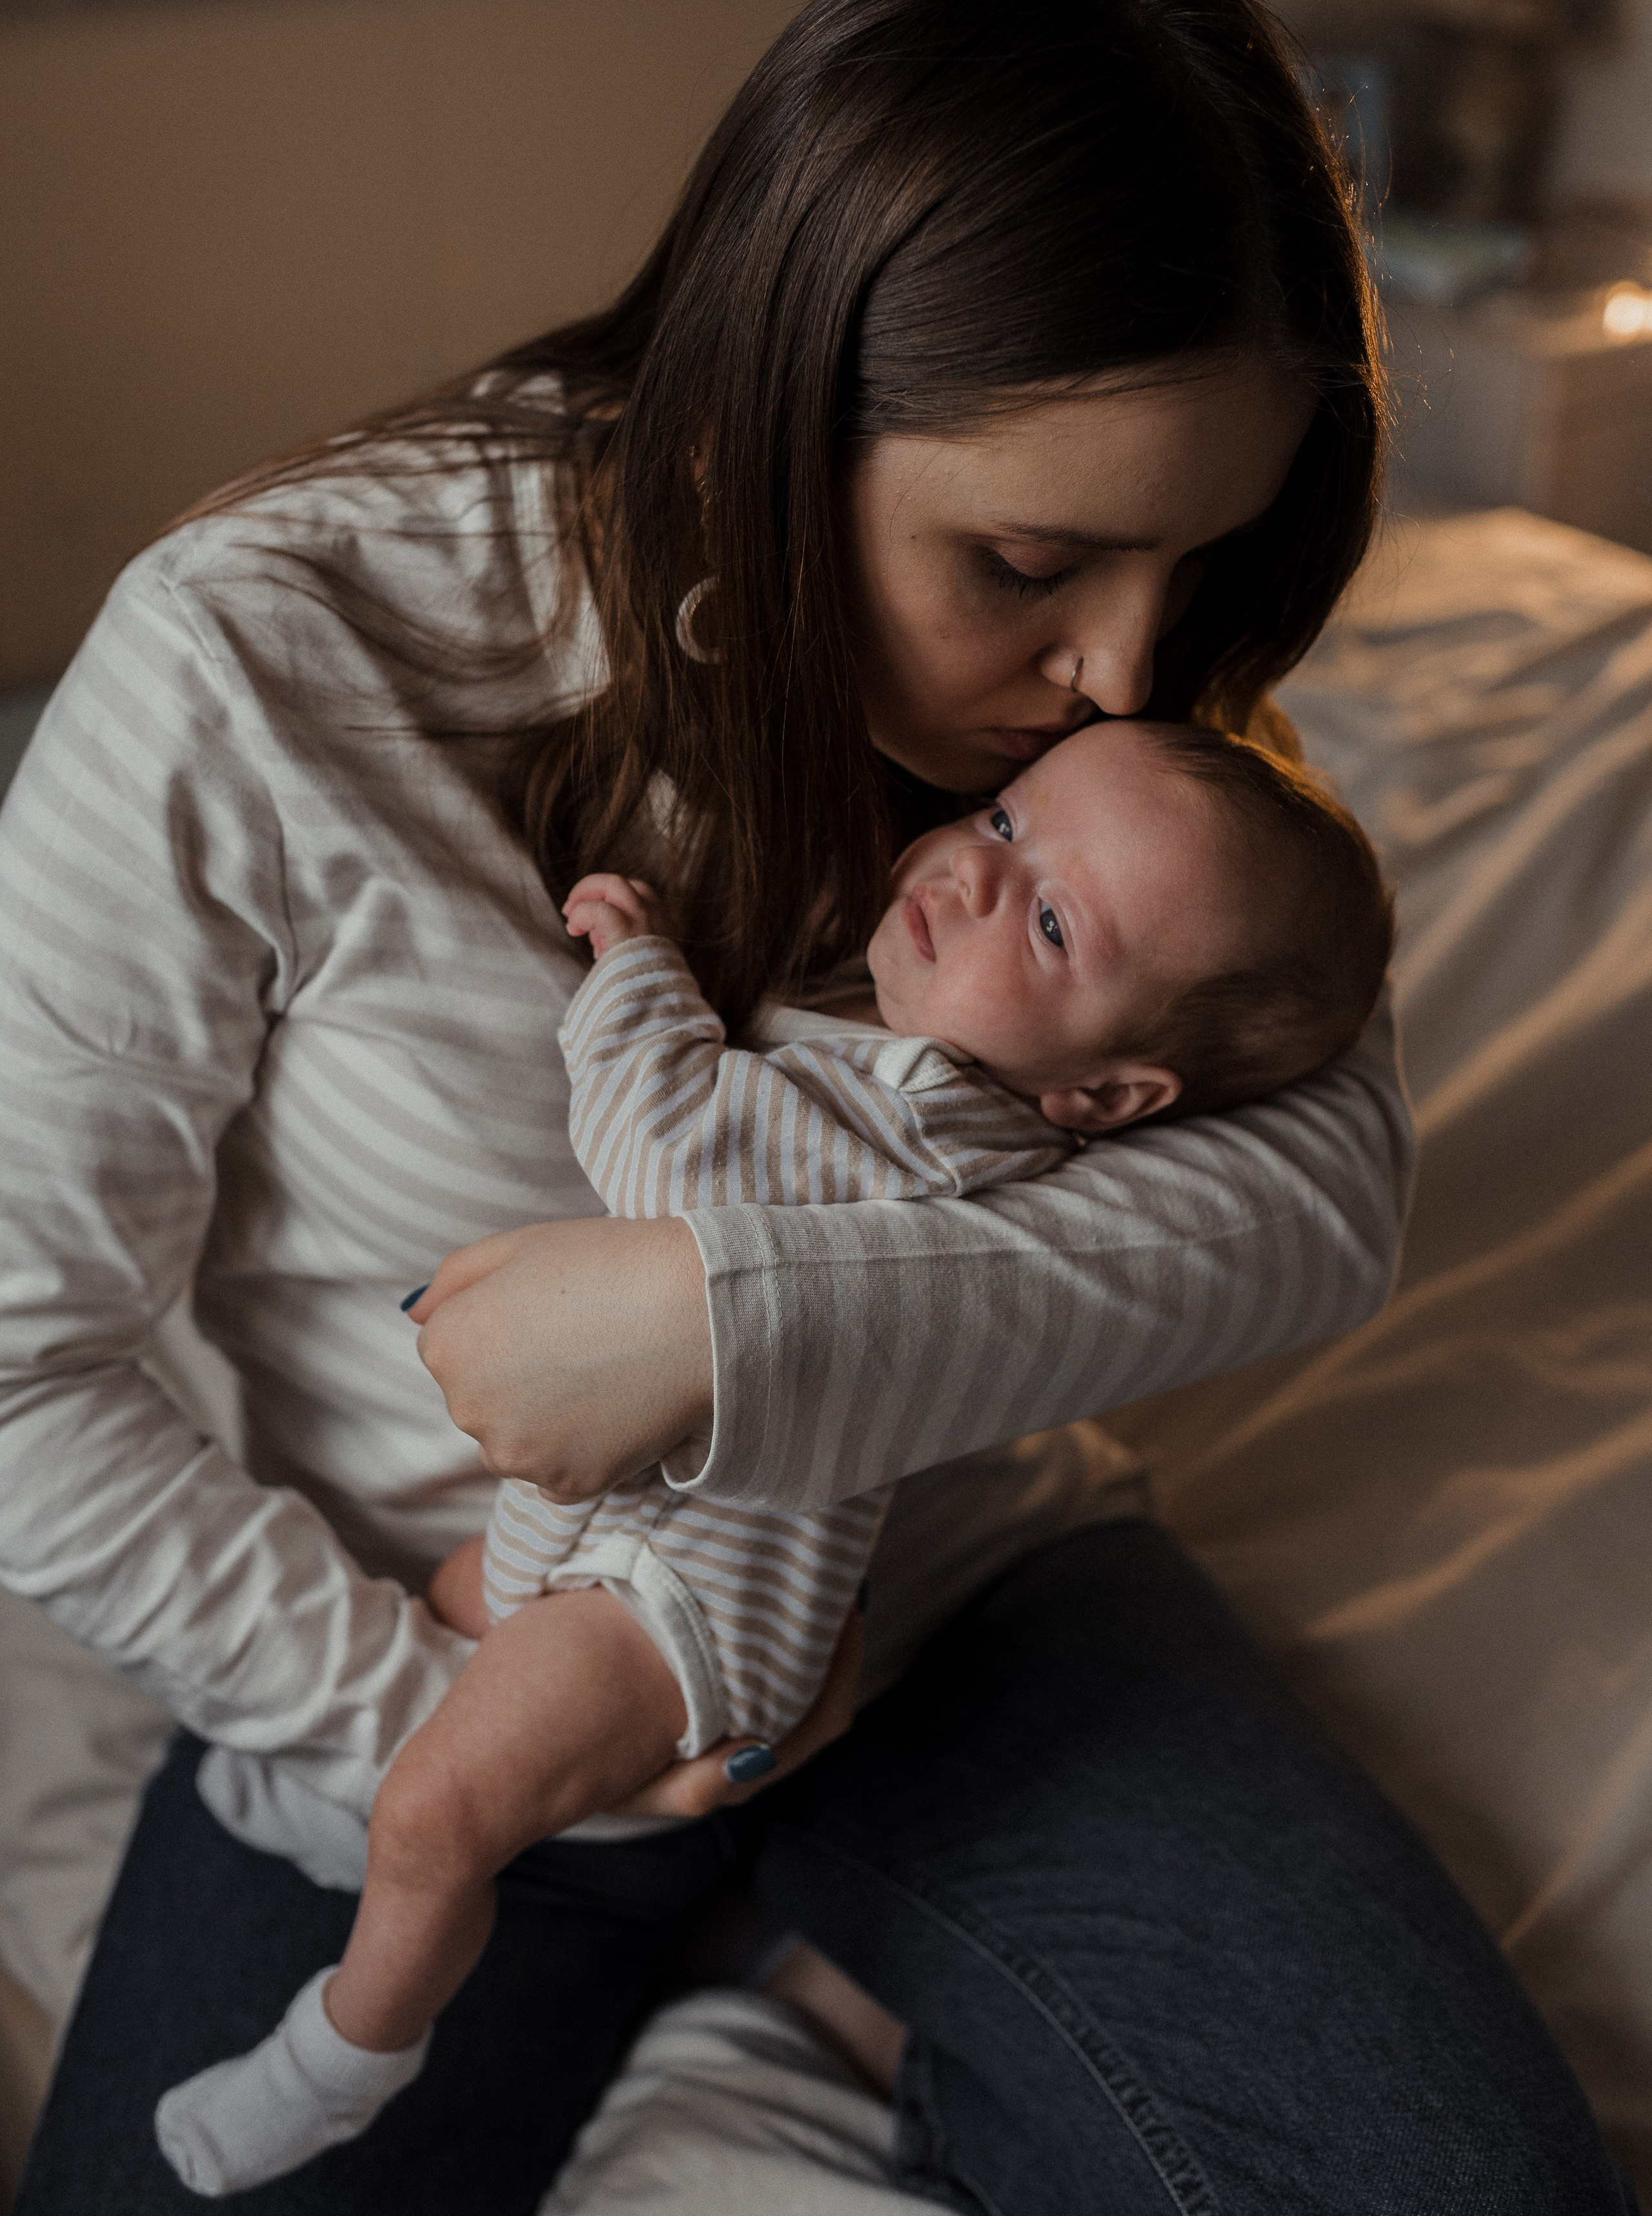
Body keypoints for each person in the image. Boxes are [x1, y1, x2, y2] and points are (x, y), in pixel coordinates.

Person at [2, 0, 1631, 2213]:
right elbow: (20, 1363)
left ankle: (869, 1975)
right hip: (443, 1656)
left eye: (1199, 575)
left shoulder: (1132, 706)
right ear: (777, 402)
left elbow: (1310, 1197)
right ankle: (769, 1949)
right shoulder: (260, 667)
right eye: (1025, 567)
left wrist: (714, 1323)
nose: (1126, 684)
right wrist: (448, 1738)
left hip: (954, 1598)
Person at [152, 716, 1396, 2195]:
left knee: (444, 1814)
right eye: (1002, 823)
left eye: (1054, 920)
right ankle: (379, 1814)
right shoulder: (910, 1074)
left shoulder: (923, 1125)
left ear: (1110, 1096)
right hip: (610, 1537)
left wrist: (635, 973)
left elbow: (663, 1158)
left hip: (677, 1606)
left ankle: (349, 2049)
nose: (978, 876)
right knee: (461, 1595)